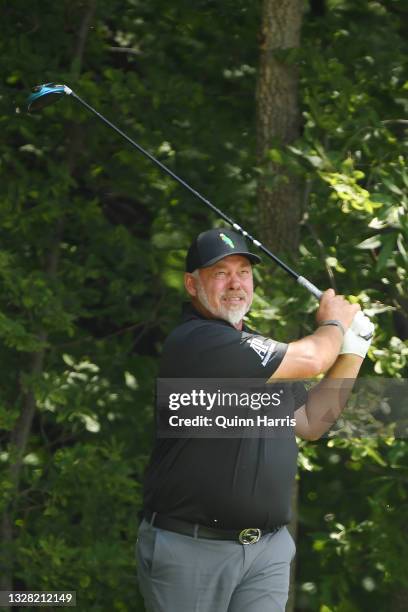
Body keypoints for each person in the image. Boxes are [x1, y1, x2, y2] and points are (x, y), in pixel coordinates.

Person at [136, 228, 373, 612]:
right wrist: (336, 323)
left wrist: (355, 351)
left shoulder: (259, 350)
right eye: (220, 273)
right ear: (191, 285)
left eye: (243, 272)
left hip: (266, 552)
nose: (235, 284)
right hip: (192, 549)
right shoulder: (197, 342)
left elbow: (312, 421)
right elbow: (314, 358)